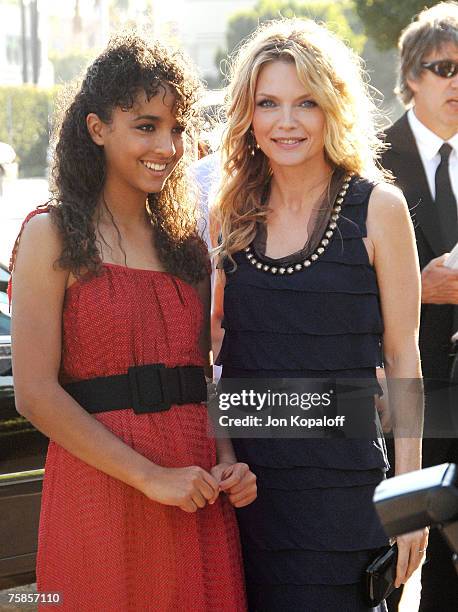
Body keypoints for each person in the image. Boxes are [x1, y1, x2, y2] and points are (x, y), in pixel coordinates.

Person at [9, 33, 256, 612]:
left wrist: (225, 459)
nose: (167, 146)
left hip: (195, 493)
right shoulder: (50, 233)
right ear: (97, 128)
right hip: (101, 493)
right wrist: (148, 477)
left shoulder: (187, 249)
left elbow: (202, 377)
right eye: (146, 126)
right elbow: (34, 394)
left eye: (175, 128)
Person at [212, 18, 428, 612]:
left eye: (306, 102)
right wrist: (228, 459)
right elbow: (210, 357)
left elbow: (405, 357)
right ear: (248, 116)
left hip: (344, 495)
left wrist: (411, 503)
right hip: (251, 498)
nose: (287, 121)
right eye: (269, 103)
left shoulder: (380, 209)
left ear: (333, 107)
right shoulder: (228, 217)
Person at [380, 4, 458, 610]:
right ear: (411, 76)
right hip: (407, 396)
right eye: (445, 68)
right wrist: (418, 288)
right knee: (398, 561)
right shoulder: (372, 160)